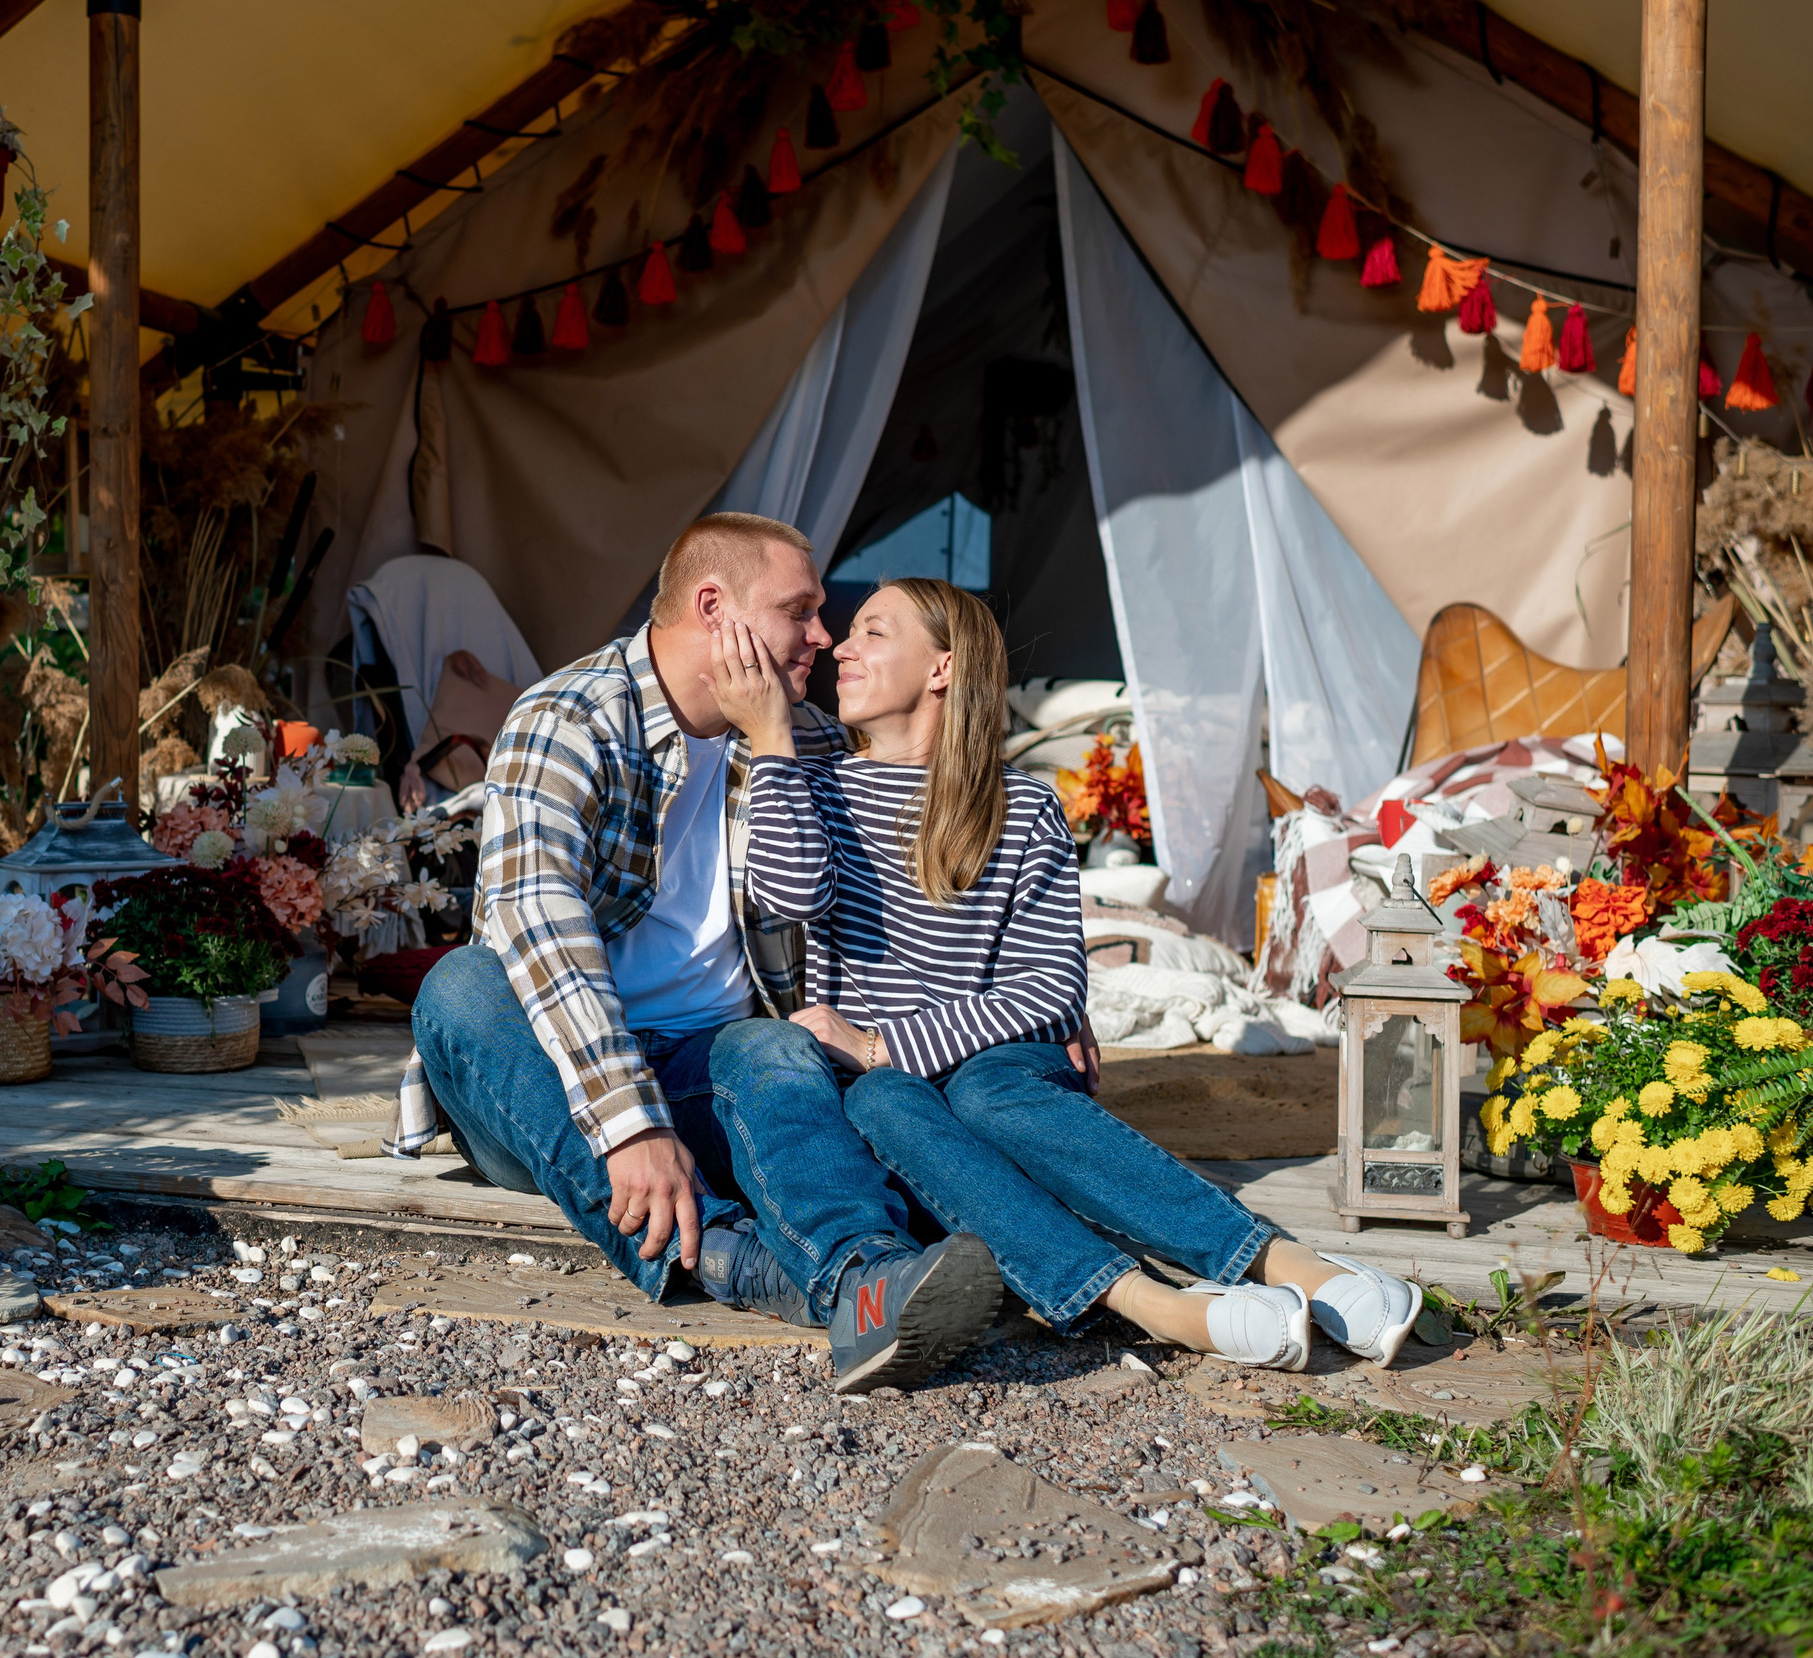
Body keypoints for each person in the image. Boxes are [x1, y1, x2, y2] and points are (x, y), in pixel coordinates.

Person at [707, 577, 1423, 1369]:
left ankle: (1289, 1265)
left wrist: (883, 1043)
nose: (841, 645)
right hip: (898, 1102)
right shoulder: (816, 790)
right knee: (883, 1099)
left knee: (973, 1087)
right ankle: (1155, 1304)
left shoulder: (1019, 805)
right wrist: (771, 737)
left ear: (942, 667)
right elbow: (789, 891)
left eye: (871, 631)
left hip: (1000, 1069)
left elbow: (1050, 988)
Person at [393, 515, 1008, 1392]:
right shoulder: (570, 717)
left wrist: (1052, 1001)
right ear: (715, 607)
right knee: (460, 989)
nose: (824, 638)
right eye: (802, 611)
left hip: (712, 1074)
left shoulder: (797, 741)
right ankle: (729, 1257)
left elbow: (945, 842)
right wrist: (630, 1123)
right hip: (554, 1084)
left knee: (777, 1044)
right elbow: (538, 916)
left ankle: (865, 1282)